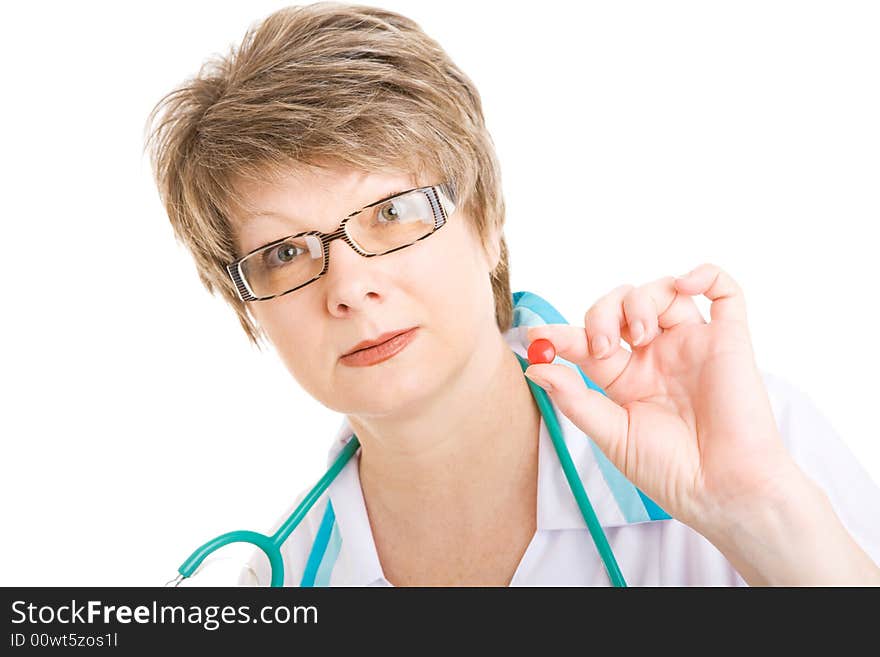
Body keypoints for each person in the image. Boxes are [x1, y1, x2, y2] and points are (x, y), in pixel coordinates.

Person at [144, 1, 880, 586]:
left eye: (393, 213)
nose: (350, 286)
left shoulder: (743, 435)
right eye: (285, 252)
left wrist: (758, 511)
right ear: (250, 307)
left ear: (487, 221)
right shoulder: (277, 586)